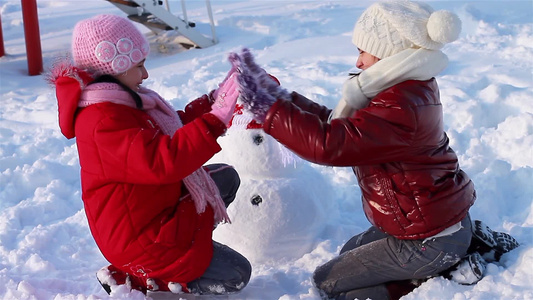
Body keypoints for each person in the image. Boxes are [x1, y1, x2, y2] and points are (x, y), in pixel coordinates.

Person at [230, 1, 519, 299]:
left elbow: (331, 145)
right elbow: (339, 126)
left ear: (389, 52)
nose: (358, 63)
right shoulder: (401, 89)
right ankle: (462, 245)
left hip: (429, 239)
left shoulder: (401, 105)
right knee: (348, 252)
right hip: (425, 223)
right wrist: (281, 97)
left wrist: (270, 111)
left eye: (363, 51)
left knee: (329, 282)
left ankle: (443, 273)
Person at [46, 14, 251, 296]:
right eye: (139, 66)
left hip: (153, 210)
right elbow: (164, 160)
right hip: (140, 238)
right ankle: (148, 277)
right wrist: (215, 120)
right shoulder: (102, 120)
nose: (146, 75)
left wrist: (212, 103)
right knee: (237, 274)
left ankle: (189, 249)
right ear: (113, 69)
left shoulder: (118, 101)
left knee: (225, 178)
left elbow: (168, 130)